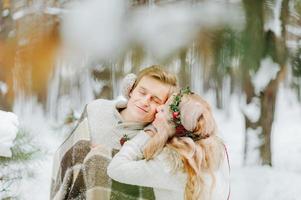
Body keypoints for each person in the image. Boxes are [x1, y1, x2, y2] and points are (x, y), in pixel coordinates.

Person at [50, 65, 177, 200]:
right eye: (142, 92)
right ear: (131, 89)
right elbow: (67, 158)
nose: (145, 101)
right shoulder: (95, 110)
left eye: (155, 100)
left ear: (165, 107)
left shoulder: (156, 141)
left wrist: (102, 156)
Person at [107, 87, 230, 200]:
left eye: (164, 109)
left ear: (173, 127)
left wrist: (148, 132)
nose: (158, 108)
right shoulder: (210, 152)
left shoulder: (170, 165)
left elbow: (115, 168)